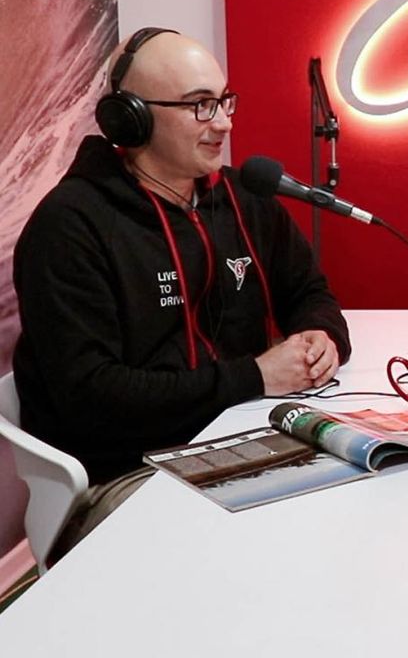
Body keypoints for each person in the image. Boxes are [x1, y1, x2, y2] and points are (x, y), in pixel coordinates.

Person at [12, 27, 351, 554]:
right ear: (131, 118)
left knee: (357, 502)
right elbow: (92, 397)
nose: (224, 123)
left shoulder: (243, 198)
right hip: (124, 473)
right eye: (200, 106)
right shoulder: (70, 228)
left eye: (224, 101)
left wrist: (320, 334)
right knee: (268, 548)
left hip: (242, 437)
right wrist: (256, 376)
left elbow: (309, 291)